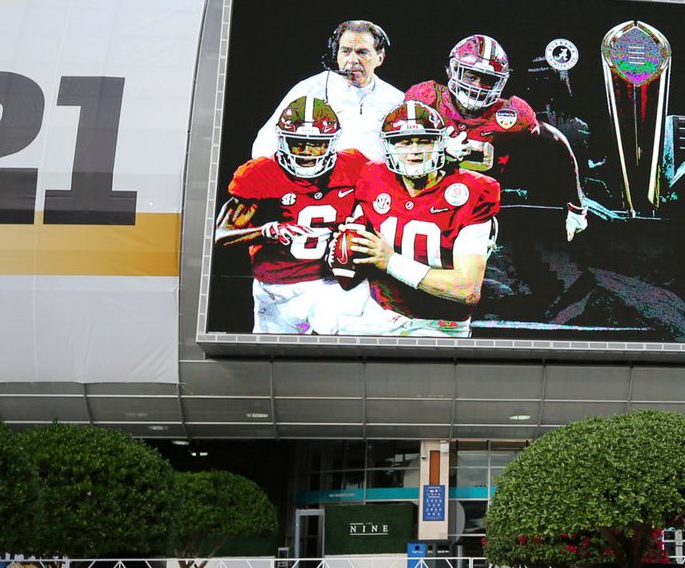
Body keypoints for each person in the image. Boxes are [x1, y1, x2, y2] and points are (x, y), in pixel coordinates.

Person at [315, 100, 501, 337]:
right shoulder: (374, 176)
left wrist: (390, 262)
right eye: (404, 142)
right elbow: (359, 227)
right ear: (389, 146)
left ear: (441, 143)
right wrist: (351, 240)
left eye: (424, 141)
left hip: (440, 325)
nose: (414, 150)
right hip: (381, 313)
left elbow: (466, 289)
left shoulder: (471, 190)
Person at [405, 33, 590, 240]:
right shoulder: (427, 100)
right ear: (451, 70)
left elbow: (558, 144)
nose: (477, 86)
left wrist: (577, 206)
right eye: (471, 75)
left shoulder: (511, 115)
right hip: (423, 201)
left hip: (477, 211)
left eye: (487, 80)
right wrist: (437, 148)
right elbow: (392, 148)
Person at [213, 97, 367, 333]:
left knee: (336, 340)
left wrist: (359, 222)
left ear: (332, 142)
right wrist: (267, 231)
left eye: (316, 143)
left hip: (331, 281)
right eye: (297, 142)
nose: (307, 152)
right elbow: (220, 236)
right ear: (282, 140)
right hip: (276, 287)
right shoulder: (260, 173)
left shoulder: (354, 165)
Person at [251, 20, 404, 160]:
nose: (352, 60)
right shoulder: (310, 89)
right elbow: (265, 144)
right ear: (336, 55)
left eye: (362, 52)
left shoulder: (396, 99)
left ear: (380, 57)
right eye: (345, 51)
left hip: (378, 185)